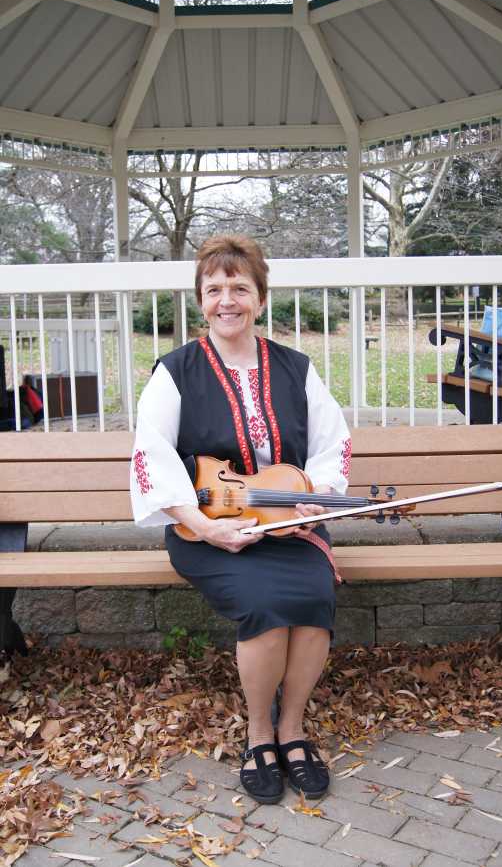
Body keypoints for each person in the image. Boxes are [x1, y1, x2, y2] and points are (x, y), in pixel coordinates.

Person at [130, 235, 351, 804]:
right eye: (214, 289)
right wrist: (207, 528)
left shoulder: (296, 368)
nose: (226, 300)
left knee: (314, 598)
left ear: (259, 298)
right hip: (205, 530)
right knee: (264, 605)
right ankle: (258, 734)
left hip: (287, 525)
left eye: (239, 288)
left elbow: (332, 445)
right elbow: (151, 457)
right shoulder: (176, 372)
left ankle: (292, 729)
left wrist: (318, 498)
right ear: (200, 300)